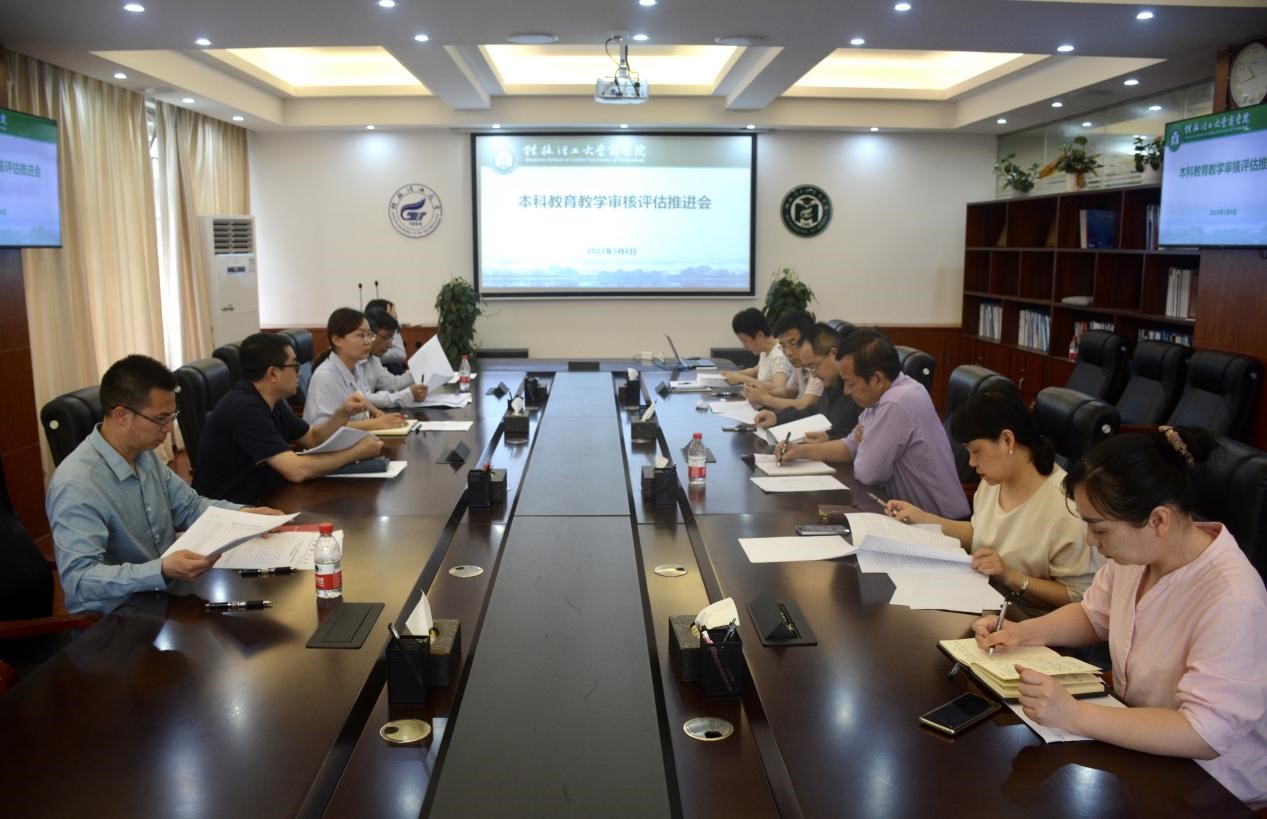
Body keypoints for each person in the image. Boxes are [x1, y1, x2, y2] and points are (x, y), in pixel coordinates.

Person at [973, 427, 1267, 809]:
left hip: (1210, 786)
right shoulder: (1138, 554)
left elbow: (1203, 733)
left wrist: (1073, 714)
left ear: (1158, 520)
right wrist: (1021, 632)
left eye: (1099, 528)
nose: (1091, 541)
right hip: (1136, 740)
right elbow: (1094, 615)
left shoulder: (1232, 597)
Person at [46, 355, 284, 614]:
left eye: (172, 416)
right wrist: (160, 570)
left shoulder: (143, 455)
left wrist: (244, 515)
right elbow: (80, 580)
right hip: (116, 617)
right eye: (160, 419)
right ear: (121, 415)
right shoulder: (77, 484)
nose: (169, 429)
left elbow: (190, 507)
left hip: (163, 596)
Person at [885, 386, 1101, 616]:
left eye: (976, 451)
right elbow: (981, 533)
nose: (971, 462)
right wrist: (923, 519)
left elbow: (1080, 597)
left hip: (1030, 622)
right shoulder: (994, 480)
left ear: (1007, 440)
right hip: (984, 601)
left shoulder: (1067, 508)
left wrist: (1010, 576)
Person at [777, 328, 969, 519]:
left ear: (876, 379)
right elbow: (850, 446)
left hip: (940, 523)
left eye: (850, 383)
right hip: (908, 514)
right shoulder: (884, 395)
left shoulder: (898, 401)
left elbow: (867, 473)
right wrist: (800, 451)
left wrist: (864, 445)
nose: (846, 391)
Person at [193, 333, 386, 504]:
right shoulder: (245, 408)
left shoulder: (271, 400)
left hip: (265, 497)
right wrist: (356, 452)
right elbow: (296, 471)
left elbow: (313, 438)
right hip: (231, 513)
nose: (299, 372)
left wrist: (341, 414)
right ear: (273, 373)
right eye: (294, 365)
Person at [303, 307, 410, 430]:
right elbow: (320, 428)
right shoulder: (325, 376)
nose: (368, 341)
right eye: (361, 335)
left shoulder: (354, 368)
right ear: (337, 340)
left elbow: (360, 398)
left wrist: (377, 413)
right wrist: (375, 424)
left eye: (369, 335)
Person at [754, 322, 859, 438]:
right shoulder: (831, 382)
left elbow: (846, 438)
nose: (814, 375)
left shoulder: (856, 389)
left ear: (833, 354)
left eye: (813, 366)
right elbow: (815, 412)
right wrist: (777, 418)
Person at [744, 310, 821, 414]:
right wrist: (762, 394)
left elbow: (805, 405)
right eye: (783, 346)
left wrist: (764, 399)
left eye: (793, 343)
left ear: (809, 339)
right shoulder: (799, 364)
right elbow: (788, 391)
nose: (788, 353)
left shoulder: (818, 366)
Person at [364, 308, 428, 406]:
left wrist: (418, 371)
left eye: (391, 338)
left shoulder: (373, 358)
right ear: (370, 334)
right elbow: (364, 399)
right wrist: (407, 395)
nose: (389, 345)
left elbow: (391, 384)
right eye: (386, 337)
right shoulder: (353, 359)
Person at [720, 307, 792, 391]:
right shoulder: (765, 350)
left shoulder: (779, 355)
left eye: (745, 341)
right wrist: (734, 375)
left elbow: (778, 387)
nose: (744, 346)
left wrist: (741, 378)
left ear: (759, 335)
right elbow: (755, 371)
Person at [365, 297, 406, 370]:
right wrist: (390, 324)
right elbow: (400, 355)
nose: (389, 344)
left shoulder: (374, 359)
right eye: (393, 317)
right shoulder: (371, 354)